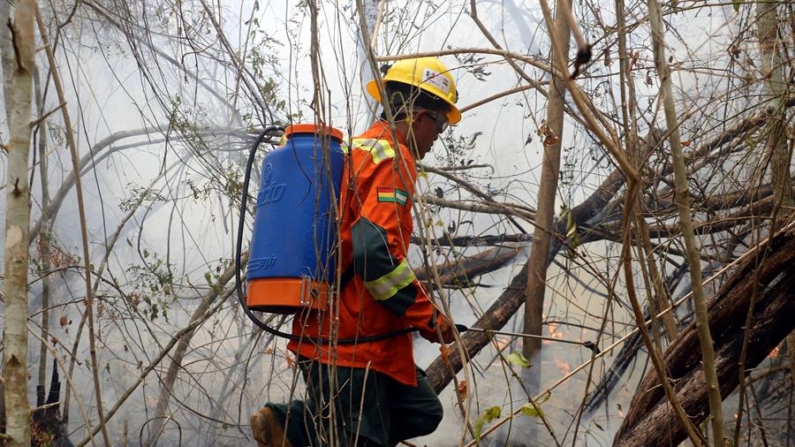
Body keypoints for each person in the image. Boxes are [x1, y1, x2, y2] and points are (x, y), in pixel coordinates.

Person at [251, 57, 462, 447]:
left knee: (422, 409)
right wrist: (427, 316)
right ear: (418, 116)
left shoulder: (355, 150)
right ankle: (292, 424)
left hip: (345, 336)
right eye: (440, 122)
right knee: (359, 440)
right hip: (350, 343)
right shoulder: (392, 159)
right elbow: (372, 253)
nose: (439, 134)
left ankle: (291, 425)